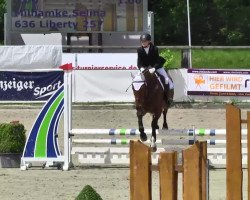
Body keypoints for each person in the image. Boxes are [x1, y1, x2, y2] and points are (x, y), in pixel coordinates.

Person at [137, 33, 174, 106]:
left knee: (167, 79)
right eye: (142, 41)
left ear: (149, 41)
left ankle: (167, 98)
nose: (143, 43)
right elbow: (139, 62)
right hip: (145, 68)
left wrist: (154, 68)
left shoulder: (154, 49)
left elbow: (157, 61)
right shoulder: (139, 50)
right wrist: (141, 68)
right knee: (136, 80)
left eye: (145, 41)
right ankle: (139, 99)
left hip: (156, 67)